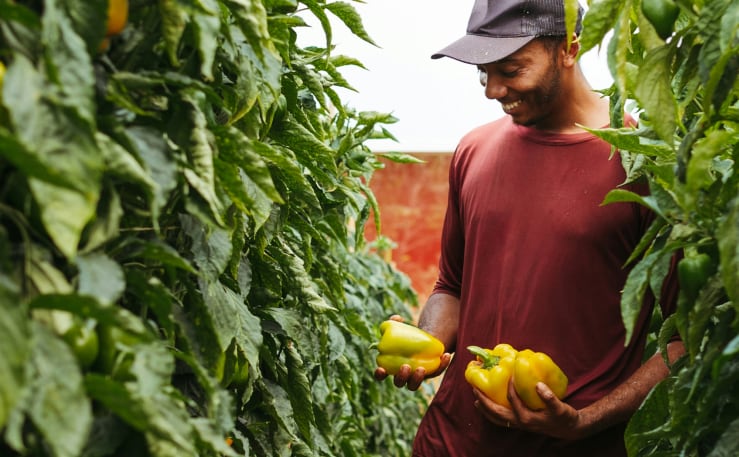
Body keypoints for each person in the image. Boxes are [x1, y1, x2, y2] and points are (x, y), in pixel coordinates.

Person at [373, 1, 685, 456]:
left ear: (570, 48)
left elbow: (684, 339)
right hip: (449, 441)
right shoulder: (473, 150)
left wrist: (583, 422)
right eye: (483, 73)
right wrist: (427, 347)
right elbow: (453, 286)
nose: (493, 90)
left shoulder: (644, 163)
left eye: (511, 69)